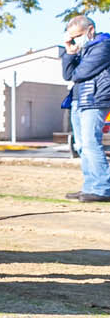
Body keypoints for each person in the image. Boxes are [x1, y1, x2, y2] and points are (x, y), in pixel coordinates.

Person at [61, 15, 110, 202]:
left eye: (77, 36)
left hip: (95, 98)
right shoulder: (81, 49)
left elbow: (80, 73)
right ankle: (90, 186)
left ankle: (102, 188)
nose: (75, 40)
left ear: (90, 30)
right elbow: (68, 75)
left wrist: (76, 58)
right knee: (81, 146)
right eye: (71, 38)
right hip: (78, 99)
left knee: (91, 143)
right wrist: (69, 52)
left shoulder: (103, 46)